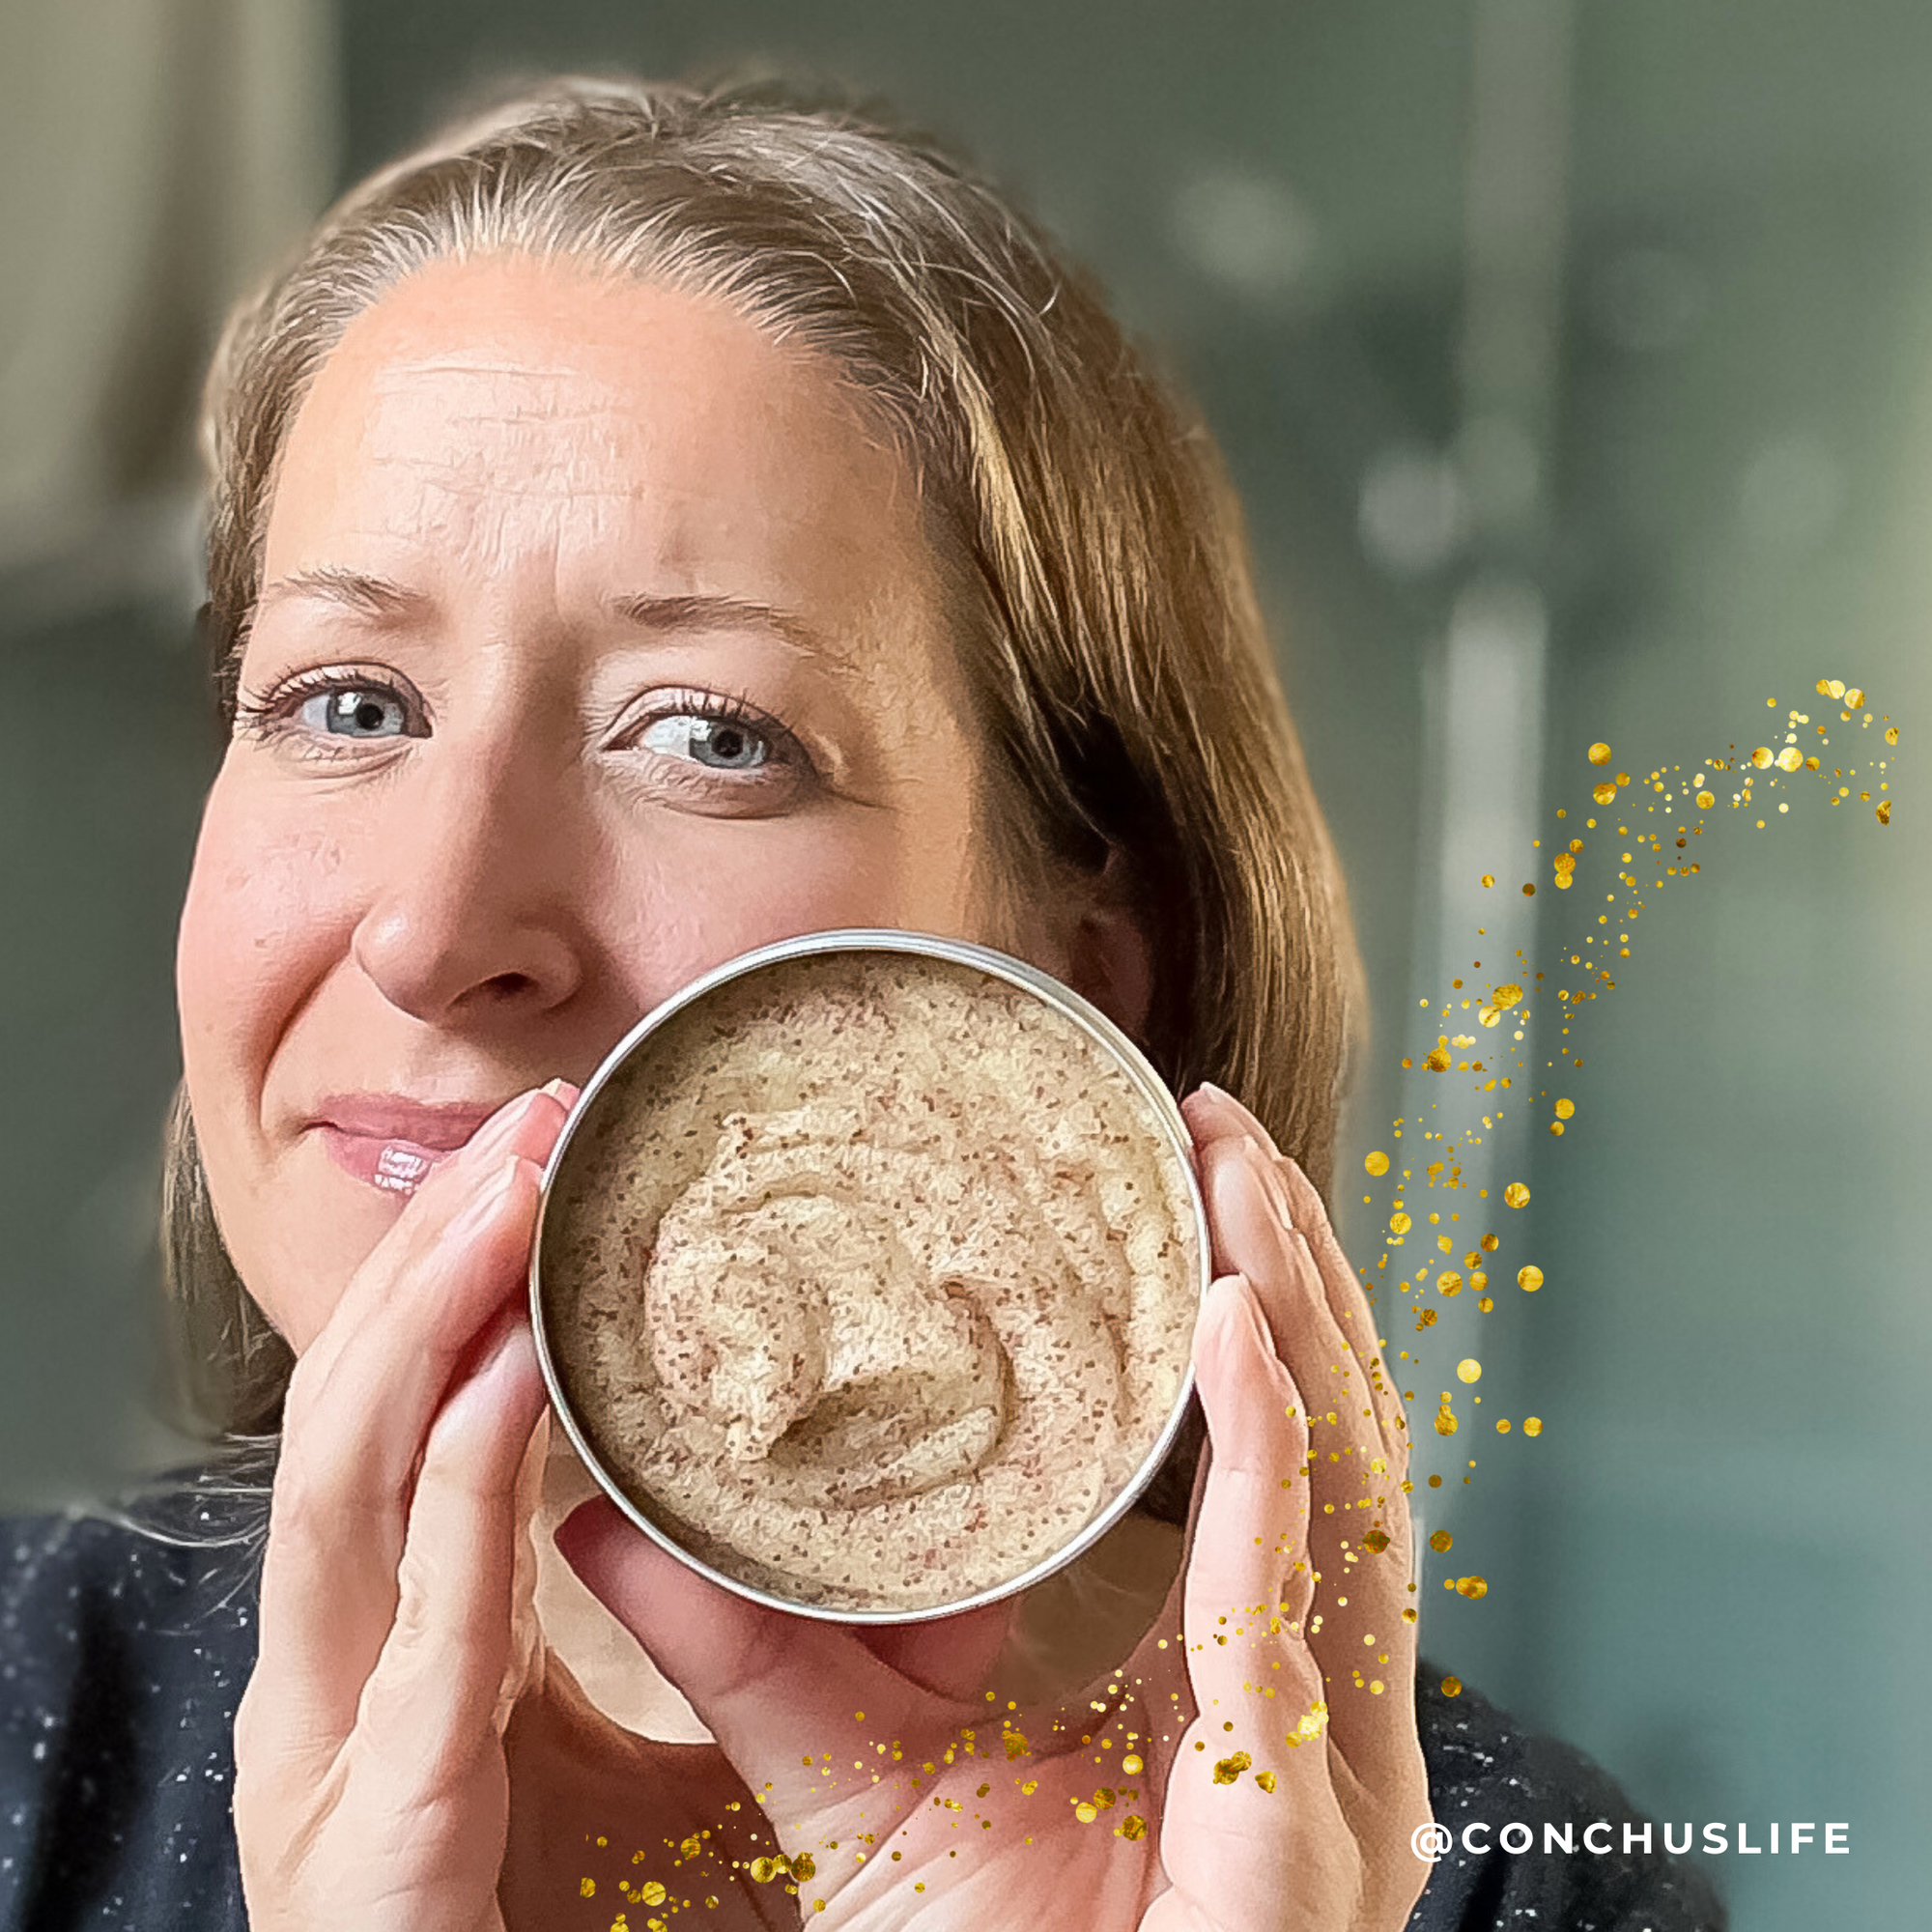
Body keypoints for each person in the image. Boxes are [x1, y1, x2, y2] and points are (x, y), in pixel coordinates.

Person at [0, 77, 1722, 1930]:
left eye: (709, 739)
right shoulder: (28, 1719)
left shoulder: (1509, 1889)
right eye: (348, 703)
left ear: (1071, 979)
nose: (431, 930)